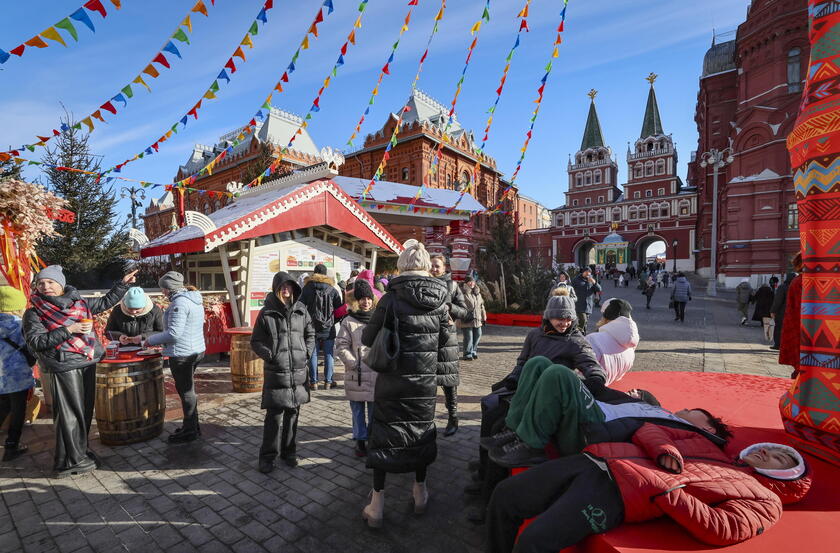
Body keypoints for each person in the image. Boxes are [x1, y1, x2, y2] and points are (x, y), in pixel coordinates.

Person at [486, 431, 811, 553]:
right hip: (596, 459)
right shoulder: (714, 449)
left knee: (534, 542)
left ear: (788, 475)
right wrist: (664, 450)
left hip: (619, 495)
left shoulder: (765, 500)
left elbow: (720, 527)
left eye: (781, 459)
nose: (769, 454)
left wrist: (665, 490)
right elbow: (651, 430)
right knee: (505, 494)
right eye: (772, 449)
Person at [359, 239, 457, 528]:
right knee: (419, 434)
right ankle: (420, 493)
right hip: (423, 383)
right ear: (427, 266)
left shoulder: (390, 298)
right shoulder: (441, 300)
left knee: (384, 436)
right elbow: (444, 343)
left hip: (391, 381)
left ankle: (376, 505)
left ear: (402, 266)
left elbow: (367, 339)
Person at [483, 356, 731, 468]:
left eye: (691, 410)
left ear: (706, 426)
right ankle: (513, 430)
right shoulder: (662, 412)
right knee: (538, 363)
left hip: (595, 430)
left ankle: (532, 445)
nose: (684, 409)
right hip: (597, 412)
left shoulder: (690, 434)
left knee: (559, 374)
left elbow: (658, 442)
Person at [23, 265, 135, 477]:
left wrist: (122, 285)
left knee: (83, 411)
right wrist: (68, 330)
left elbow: (104, 302)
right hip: (63, 365)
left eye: (51, 282)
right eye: (41, 283)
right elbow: (36, 342)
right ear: (36, 287)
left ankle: (80, 451)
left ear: (61, 285)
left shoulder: (79, 303)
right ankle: (69, 462)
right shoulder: (34, 312)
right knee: (69, 415)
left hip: (86, 360)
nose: (46, 286)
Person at [251, 272, 314, 473]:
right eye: (282, 286)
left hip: (297, 371)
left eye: (289, 286)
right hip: (277, 372)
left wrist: (306, 352)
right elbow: (256, 341)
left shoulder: (302, 310)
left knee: (293, 414)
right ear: (276, 288)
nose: (286, 290)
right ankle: (267, 457)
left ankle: (289, 453)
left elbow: (310, 333)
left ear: (294, 288)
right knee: (274, 417)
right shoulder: (266, 313)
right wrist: (270, 355)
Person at [146, 271, 206, 444]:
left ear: (168, 288)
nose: (162, 292)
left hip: (182, 354)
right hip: (196, 350)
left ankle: (189, 431)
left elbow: (174, 334)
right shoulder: (194, 299)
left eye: (163, 289)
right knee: (189, 391)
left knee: (186, 392)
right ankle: (193, 426)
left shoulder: (179, 303)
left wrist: (149, 341)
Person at [335, 279, 378, 458]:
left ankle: (373, 438)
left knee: (375, 410)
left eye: (368, 298)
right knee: (358, 410)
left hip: (376, 372)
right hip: (357, 374)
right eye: (362, 298)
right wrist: (353, 363)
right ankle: (360, 441)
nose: (366, 302)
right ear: (356, 300)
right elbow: (341, 345)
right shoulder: (348, 321)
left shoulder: (378, 318)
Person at [429, 254, 467, 437]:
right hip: (427, 338)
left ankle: (453, 418)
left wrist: (451, 308)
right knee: (428, 384)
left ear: (444, 267)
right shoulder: (424, 283)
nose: (434, 269)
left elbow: (465, 310)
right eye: (431, 266)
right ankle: (427, 421)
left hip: (447, 341)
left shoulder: (452, 285)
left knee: (449, 382)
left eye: (437, 266)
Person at [0, 286, 35, 462]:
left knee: (3, 407)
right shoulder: (20, 325)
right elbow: (31, 347)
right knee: (18, 410)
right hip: (17, 376)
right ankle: (12, 445)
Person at [299, 264, 343, 390]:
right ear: (325, 274)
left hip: (311, 327)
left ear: (314, 273)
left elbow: (301, 307)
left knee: (313, 354)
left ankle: (314, 382)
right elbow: (339, 310)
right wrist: (333, 321)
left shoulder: (307, 288)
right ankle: (328, 382)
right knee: (329, 354)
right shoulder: (332, 290)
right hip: (328, 328)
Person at [586, 298, 639, 386]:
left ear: (606, 316)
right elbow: (619, 376)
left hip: (589, 389)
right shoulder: (631, 346)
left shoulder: (593, 339)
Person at [458, 276, 487, 361]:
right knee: (468, 337)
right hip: (466, 318)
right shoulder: (462, 292)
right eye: (470, 282)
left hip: (477, 318)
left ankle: (473, 351)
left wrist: (484, 316)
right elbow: (459, 304)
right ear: (466, 283)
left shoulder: (477, 292)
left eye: (473, 282)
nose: (472, 283)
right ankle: (467, 354)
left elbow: (482, 306)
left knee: (478, 335)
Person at [571, 267, 601, 335]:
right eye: (586, 272)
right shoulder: (576, 279)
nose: (588, 273)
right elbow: (571, 289)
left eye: (589, 272)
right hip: (578, 305)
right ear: (583, 272)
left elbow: (599, 289)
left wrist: (594, 282)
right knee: (583, 320)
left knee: (585, 322)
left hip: (588, 306)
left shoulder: (592, 280)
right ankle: (578, 334)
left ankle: (582, 335)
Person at [770, 272, 795, 351]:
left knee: (779, 328)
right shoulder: (799, 286)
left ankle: (778, 344)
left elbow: (778, 301)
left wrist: (773, 311)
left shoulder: (783, 287)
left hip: (782, 312)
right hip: (795, 311)